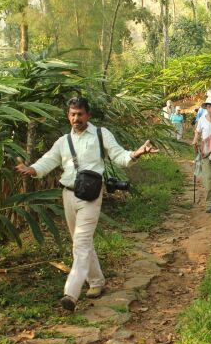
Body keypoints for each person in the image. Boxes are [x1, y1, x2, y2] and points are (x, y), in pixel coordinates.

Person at [15, 96, 158, 312]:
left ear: (88, 115)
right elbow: (48, 160)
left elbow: (119, 155)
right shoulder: (63, 141)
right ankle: (97, 281)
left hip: (91, 196)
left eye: (80, 114)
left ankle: (71, 294)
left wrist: (136, 153)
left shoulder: (101, 134)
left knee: (80, 244)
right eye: (72, 114)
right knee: (82, 241)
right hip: (68, 194)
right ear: (68, 116)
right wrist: (32, 169)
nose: (76, 118)